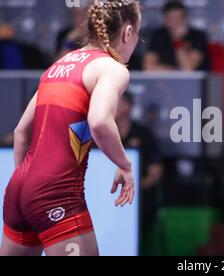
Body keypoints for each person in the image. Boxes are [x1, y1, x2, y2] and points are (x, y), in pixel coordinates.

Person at [0, 0, 142, 256]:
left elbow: (22, 132)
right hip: (56, 194)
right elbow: (99, 121)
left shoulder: (58, 65)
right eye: (138, 34)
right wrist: (124, 165)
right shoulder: (112, 67)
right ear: (128, 32)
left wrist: (27, 187)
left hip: (17, 190)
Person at [116, 91, 163, 234]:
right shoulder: (102, 134)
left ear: (127, 106)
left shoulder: (143, 134)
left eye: (115, 103)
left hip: (138, 198)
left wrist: (133, 191)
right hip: (108, 196)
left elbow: (155, 172)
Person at [143, 0, 210, 71]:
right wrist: (175, 71)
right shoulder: (158, 35)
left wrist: (178, 41)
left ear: (185, 18)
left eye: (178, 18)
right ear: (165, 20)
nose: (175, 23)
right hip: (164, 80)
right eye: (171, 19)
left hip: (193, 81)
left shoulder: (197, 36)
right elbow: (148, 67)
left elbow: (188, 68)